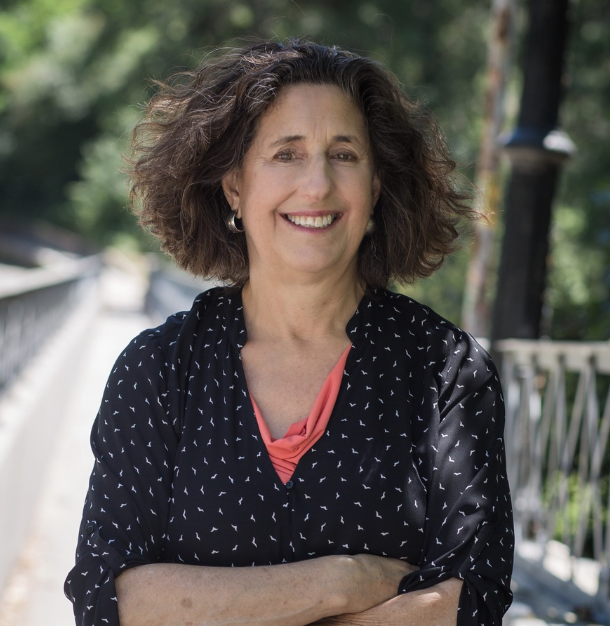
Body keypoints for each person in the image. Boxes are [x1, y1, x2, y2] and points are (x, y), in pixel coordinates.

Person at [65, 39, 514, 626]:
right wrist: (337, 584)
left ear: (376, 187)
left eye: (344, 155)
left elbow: (472, 597)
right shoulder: (159, 367)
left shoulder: (445, 369)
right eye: (286, 154)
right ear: (234, 186)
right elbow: (107, 597)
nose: (317, 185)